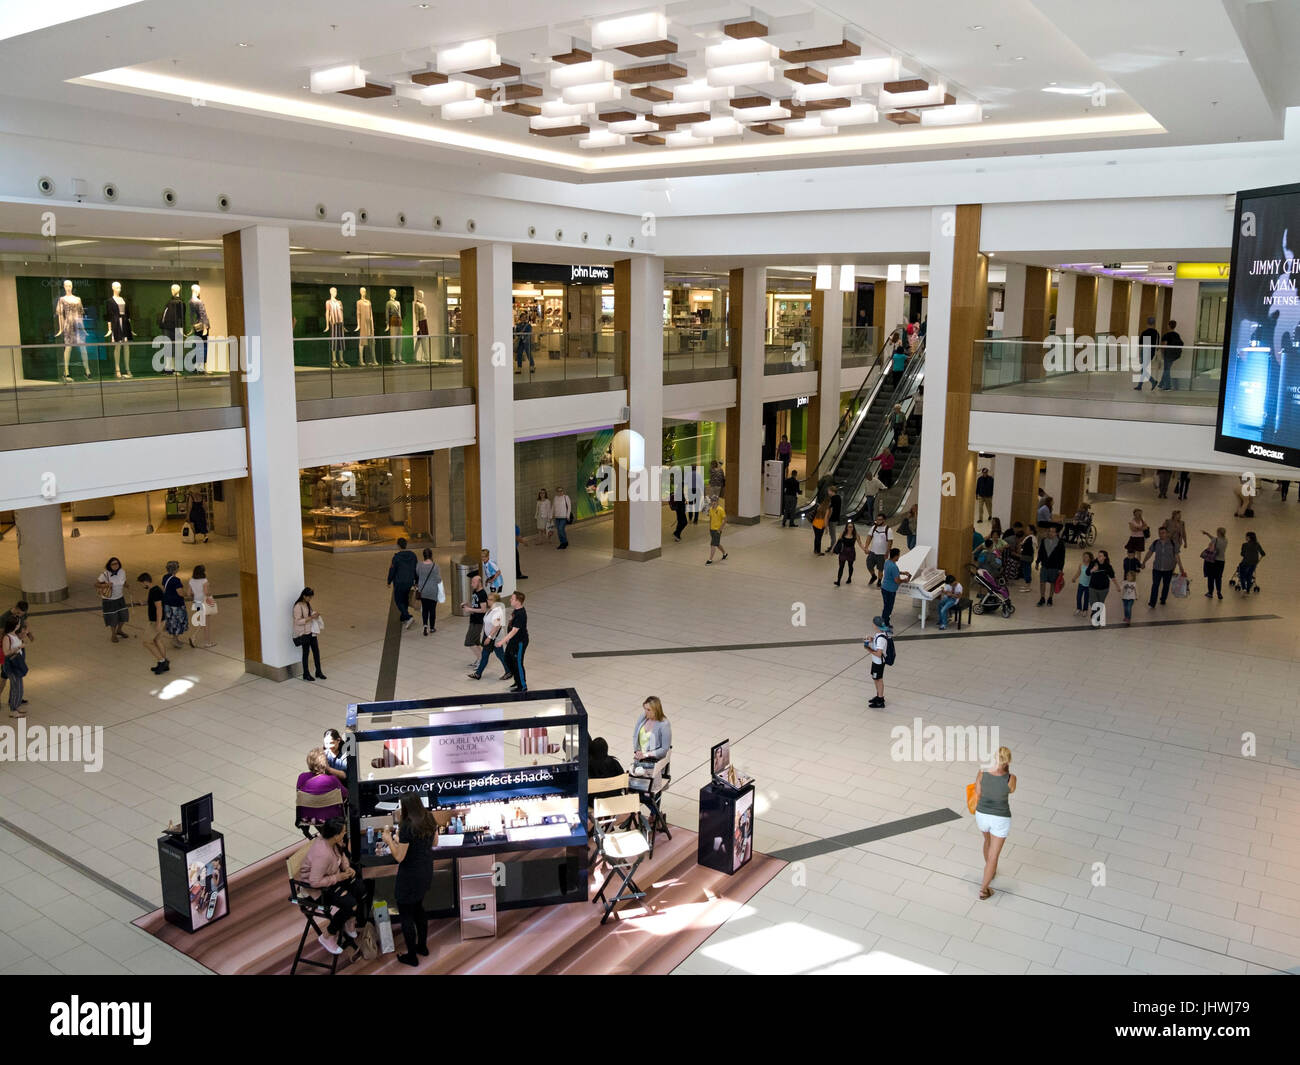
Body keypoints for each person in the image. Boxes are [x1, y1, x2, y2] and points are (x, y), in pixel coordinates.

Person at [381, 794, 437, 966]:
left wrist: (389, 840)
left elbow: (399, 857)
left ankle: (411, 956)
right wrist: (401, 840)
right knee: (419, 908)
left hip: (409, 876)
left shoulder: (406, 825)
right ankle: (422, 947)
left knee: (406, 914)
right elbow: (434, 842)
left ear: (405, 807)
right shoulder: (429, 817)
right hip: (426, 871)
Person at [297, 817, 363, 957]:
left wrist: (347, 868)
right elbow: (314, 882)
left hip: (332, 876)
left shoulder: (334, 842)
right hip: (317, 889)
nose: (345, 834)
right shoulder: (323, 854)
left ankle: (350, 919)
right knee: (350, 904)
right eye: (343, 832)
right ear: (335, 834)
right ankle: (328, 935)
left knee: (360, 887)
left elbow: (342, 855)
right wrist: (338, 878)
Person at [973, 747, 1016, 900]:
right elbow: (1010, 791)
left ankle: (989, 872)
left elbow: (978, 792)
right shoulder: (1011, 778)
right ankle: (984, 890)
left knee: (987, 841)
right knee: (994, 856)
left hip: (982, 815)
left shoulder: (982, 772)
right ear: (1008, 761)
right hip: (1000, 818)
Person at [296, 747, 345, 826]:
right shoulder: (332, 779)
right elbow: (345, 795)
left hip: (307, 818)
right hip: (330, 818)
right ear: (325, 763)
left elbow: (299, 794)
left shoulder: (301, 777)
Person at [467, 593, 509, 681]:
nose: (487, 601)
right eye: (488, 599)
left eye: (490, 600)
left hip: (495, 638)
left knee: (500, 655)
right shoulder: (490, 610)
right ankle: (478, 674)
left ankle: (508, 671)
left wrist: (489, 637)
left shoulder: (498, 612)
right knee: (485, 655)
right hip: (488, 636)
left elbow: (496, 626)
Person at [1142, 526, 1186, 607]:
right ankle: (1152, 602)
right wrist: (1144, 562)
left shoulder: (1173, 544)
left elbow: (1177, 556)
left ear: (1167, 534)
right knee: (1155, 585)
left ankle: (1163, 599)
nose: (1161, 535)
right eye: (1159, 533)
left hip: (1168, 569)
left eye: (1163, 533)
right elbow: (1149, 553)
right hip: (1157, 569)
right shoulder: (1156, 543)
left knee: (1166, 585)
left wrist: (1181, 567)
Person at [136, 574, 169, 675]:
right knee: (157, 640)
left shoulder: (155, 591)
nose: (142, 586)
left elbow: (159, 608)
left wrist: (158, 624)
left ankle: (162, 661)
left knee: (146, 642)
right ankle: (165, 663)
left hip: (156, 621)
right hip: (160, 620)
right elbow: (154, 603)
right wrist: (144, 602)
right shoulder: (154, 589)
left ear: (145, 581)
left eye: (142, 583)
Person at [498, 590, 529, 692]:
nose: (510, 599)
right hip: (512, 641)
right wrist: (508, 640)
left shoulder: (521, 614)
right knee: (507, 659)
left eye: (512, 598)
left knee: (518, 663)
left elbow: (515, 630)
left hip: (519, 642)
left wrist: (502, 641)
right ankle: (517, 679)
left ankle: (522, 686)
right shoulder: (515, 610)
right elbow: (510, 626)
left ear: (518, 601)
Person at [292, 587, 325, 682]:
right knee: (306, 654)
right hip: (304, 634)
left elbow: (309, 616)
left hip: (311, 632)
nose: (310, 599)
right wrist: (311, 617)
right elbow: (298, 621)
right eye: (309, 597)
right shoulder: (298, 606)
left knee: (316, 652)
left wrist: (314, 615)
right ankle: (306, 674)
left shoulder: (307, 604)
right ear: (304, 596)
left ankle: (318, 671)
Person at [95, 557, 131, 644]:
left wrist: (126, 585)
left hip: (120, 598)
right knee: (113, 619)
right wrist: (106, 585)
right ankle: (113, 634)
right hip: (109, 600)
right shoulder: (105, 574)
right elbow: (96, 584)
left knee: (124, 616)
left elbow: (123, 581)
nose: (115, 565)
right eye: (113, 564)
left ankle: (119, 630)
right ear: (109, 565)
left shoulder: (122, 572)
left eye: (117, 563)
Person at [632, 696, 672, 771]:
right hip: (639, 759)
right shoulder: (643, 717)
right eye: (645, 709)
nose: (646, 712)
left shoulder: (664, 724)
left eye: (649, 710)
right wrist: (637, 750)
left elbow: (664, 749)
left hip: (654, 762)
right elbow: (635, 735)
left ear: (656, 710)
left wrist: (646, 755)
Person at [387, 537, 418, 630]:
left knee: (398, 600)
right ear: (406, 545)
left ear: (398, 546)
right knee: (405, 598)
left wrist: (389, 581)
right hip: (409, 581)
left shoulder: (396, 557)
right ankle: (403, 617)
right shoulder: (413, 555)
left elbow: (392, 570)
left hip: (399, 582)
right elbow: (416, 569)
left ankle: (408, 617)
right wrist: (416, 581)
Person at [878, 547, 911, 630]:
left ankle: (885, 622)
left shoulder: (887, 562)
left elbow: (891, 572)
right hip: (890, 590)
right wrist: (905, 580)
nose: (899, 557)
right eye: (898, 555)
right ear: (895, 556)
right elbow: (897, 581)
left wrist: (902, 572)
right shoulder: (894, 567)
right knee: (888, 608)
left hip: (884, 588)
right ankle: (884, 623)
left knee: (886, 606)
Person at [2, 614, 27, 718]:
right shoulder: (7, 637)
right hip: (11, 666)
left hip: (17, 664)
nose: (19, 625)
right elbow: (6, 652)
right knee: (16, 687)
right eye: (18, 624)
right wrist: (18, 648)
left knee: (19, 687)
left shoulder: (15, 634)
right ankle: (13, 709)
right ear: (14, 625)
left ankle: (16, 705)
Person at [161, 561, 188, 647]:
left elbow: (163, 590)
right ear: (176, 569)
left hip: (167, 603)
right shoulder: (176, 580)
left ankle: (175, 639)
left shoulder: (165, 577)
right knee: (178, 622)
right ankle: (175, 639)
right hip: (176, 605)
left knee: (172, 621)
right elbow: (180, 593)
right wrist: (187, 594)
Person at [1036, 524, 1065, 606]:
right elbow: (1040, 552)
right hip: (1044, 565)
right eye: (1049, 531)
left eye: (1053, 532)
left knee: (1053, 583)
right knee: (1042, 582)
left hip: (1054, 567)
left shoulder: (1060, 543)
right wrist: (1037, 562)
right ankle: (1042, 598)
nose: (1050, 533)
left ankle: (1050, 598)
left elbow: (1062, 557)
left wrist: (1060, 568)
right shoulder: (1044, 540)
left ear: (1056, 533)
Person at [188, 564, 215, 648]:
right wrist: (211, 594)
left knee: (203, 620)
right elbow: (206, 592)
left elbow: (189, 593)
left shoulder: (191, 580)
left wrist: (194, 596)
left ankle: (205, 640)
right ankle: (196, 637)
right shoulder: (204, 581)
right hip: (204, 602)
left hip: (197, 602)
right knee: (206, 622)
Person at [462, 574, 487, 664]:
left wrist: (469, 609)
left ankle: (481, 660)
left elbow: (483, 609)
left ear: (479, 583)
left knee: (469, 641)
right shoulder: (475, 592)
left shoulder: (482, 594)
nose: (471, 584)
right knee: (476, 642)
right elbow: (475, 604)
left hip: (478, 622)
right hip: (473, 620)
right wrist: (467, 604)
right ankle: (480, 658)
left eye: (473, 582)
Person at [415, 548, 441, 635]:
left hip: (423, 590)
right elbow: (438, 579)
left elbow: (417, 574)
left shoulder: (419, 565)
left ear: (423, 555)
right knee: (432, 609)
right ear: (431, 555)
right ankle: (432, 628)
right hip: (433, 591)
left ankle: (425, 626)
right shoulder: (435, 566)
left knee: (425, 609)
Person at [1200, 526, 1227, 599]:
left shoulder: (1215, 540)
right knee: (1218, 578)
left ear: (1218, 533)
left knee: (1211, 577)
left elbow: (1211, 547)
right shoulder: (1225, 540)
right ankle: (1219, 592)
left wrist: (1209, 545)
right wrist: (1207, 534)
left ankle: (1210, 593)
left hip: (1213, 561)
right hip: (1221, 561)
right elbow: (1214, 538)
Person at [866, 622, 889, 708]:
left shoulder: (880, 638)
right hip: (876, 661)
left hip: (878, 662)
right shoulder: (879, 634)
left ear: (876, 625)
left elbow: (879, 654)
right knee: (875, 678)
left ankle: (880, 700)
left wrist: (868, 649)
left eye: (874, 624)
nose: (873, 625)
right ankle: (879, 695)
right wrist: (871, 639)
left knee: (878, 679)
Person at [1134, 316, 1160, 390]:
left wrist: (1140, 355)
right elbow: (1157, 345)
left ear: (1147, 323)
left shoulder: (1145, 332)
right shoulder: (1156, 333)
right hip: (1151, 352)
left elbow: (1141, 345)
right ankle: (1139, 386)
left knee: (1143, 370)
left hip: (1145, 351)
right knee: (1143, 369)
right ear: (1154, 324)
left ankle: (1153, 381)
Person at [1087, 550, 1116, 614]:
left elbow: (1112, 576)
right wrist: (1092, 570)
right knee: (1093, 602)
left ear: (1105, 557)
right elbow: (1087, 573)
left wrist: (1117, 586)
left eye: (1100, 556)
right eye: (1098, 555)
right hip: (1093, 587)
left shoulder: (1107, 566)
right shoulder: (1093, 563)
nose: (1098, 557)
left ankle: (1098, 615)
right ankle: (1095, 614)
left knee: (1100, 603)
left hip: (1104, 589)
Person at [865, 514, 892, 585]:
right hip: (872, 552)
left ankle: (879, 581)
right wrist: (866, 547)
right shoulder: (874, 527)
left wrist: (887, 552)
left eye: (880, 520)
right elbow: (869, 537)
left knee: (880, 569)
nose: (878, 521)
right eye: (877, 519)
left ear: (884, 520)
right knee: (869, 565)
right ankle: (873, 576)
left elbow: (890, 542)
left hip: (882, 553)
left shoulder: (888, 530)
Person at [1159, 319, 1184, 390]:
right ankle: (1161, 384)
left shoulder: (1166, 335)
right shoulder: (1177, 335)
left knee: (1167, 370)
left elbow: (1163, 346)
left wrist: (1162, 354)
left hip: (1168, 354)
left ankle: (1168, 386)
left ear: (1168, 326)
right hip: (1175, 355)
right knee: (1166, 369)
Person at [832, 519, 858, 586]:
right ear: (846, 527)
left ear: (853, 527)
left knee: (850, 566)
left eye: (851, 527)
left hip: (851, 552)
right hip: (843, 551)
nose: (850, 528)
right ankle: (838, 581)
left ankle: (849, 578)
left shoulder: (856, 535)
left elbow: (860, 543)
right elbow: (837, 541)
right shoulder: (843, 533)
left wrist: (865, 549)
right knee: (841, 567)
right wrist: (833, 549)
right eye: (849, 527)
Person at [706, 496, 728, 565]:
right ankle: (724, 553)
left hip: (717, 530)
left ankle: (710, 559)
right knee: (717, 543)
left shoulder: (720, 509)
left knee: (713, 544)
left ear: (717, 501)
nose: (713, 502)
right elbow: (711, 519)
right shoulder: (711, 509)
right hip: (712, 530)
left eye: (714, 501)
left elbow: (725, 520)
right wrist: (710, 527)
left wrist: (720, 529)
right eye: (712, 501)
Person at [1072, 551, 1093, 616]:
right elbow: (1078, 572)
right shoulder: (1081, 564)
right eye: (1083, 557)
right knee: (1078, 597)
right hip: (1081, 584)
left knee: (1086, 598)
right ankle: (1078, 608)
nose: (1084, 558)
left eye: (1086, 557)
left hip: (1088, 585)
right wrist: (1074, 578)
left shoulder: (1092, 566)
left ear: (1090, 558)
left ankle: (1085, 610)